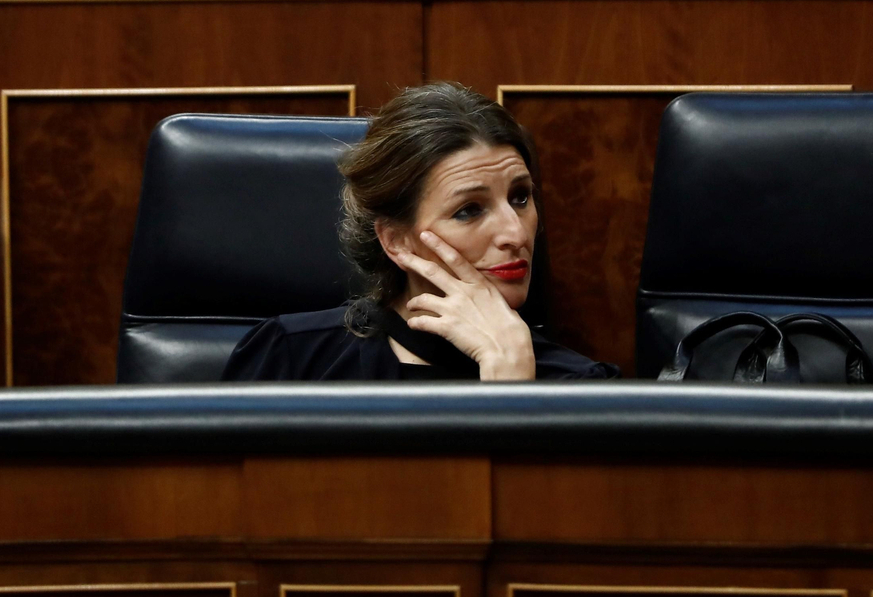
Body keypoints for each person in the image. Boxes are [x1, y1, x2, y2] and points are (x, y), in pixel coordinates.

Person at [222, 81, 617, 381]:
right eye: (469, 210)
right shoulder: (291, 359)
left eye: (520, 198)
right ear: (395, 240)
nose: (515, 233)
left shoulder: (582, 387)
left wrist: (513, 391)